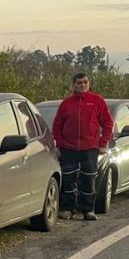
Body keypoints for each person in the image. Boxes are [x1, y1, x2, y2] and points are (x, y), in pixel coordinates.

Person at [52, 73, 113, 221]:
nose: (82, 85)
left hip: (90, 148)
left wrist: (103, 142)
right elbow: (57, 125)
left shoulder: (97, 101)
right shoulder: (66, 104)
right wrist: (60, 144)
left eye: (85, 82)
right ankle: (68, 209)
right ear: (74, 85)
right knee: (68, 179)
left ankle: (88, 210)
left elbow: (108, 123)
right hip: (69, 148)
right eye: (79, 83)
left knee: (89, 179)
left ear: (89, 83)